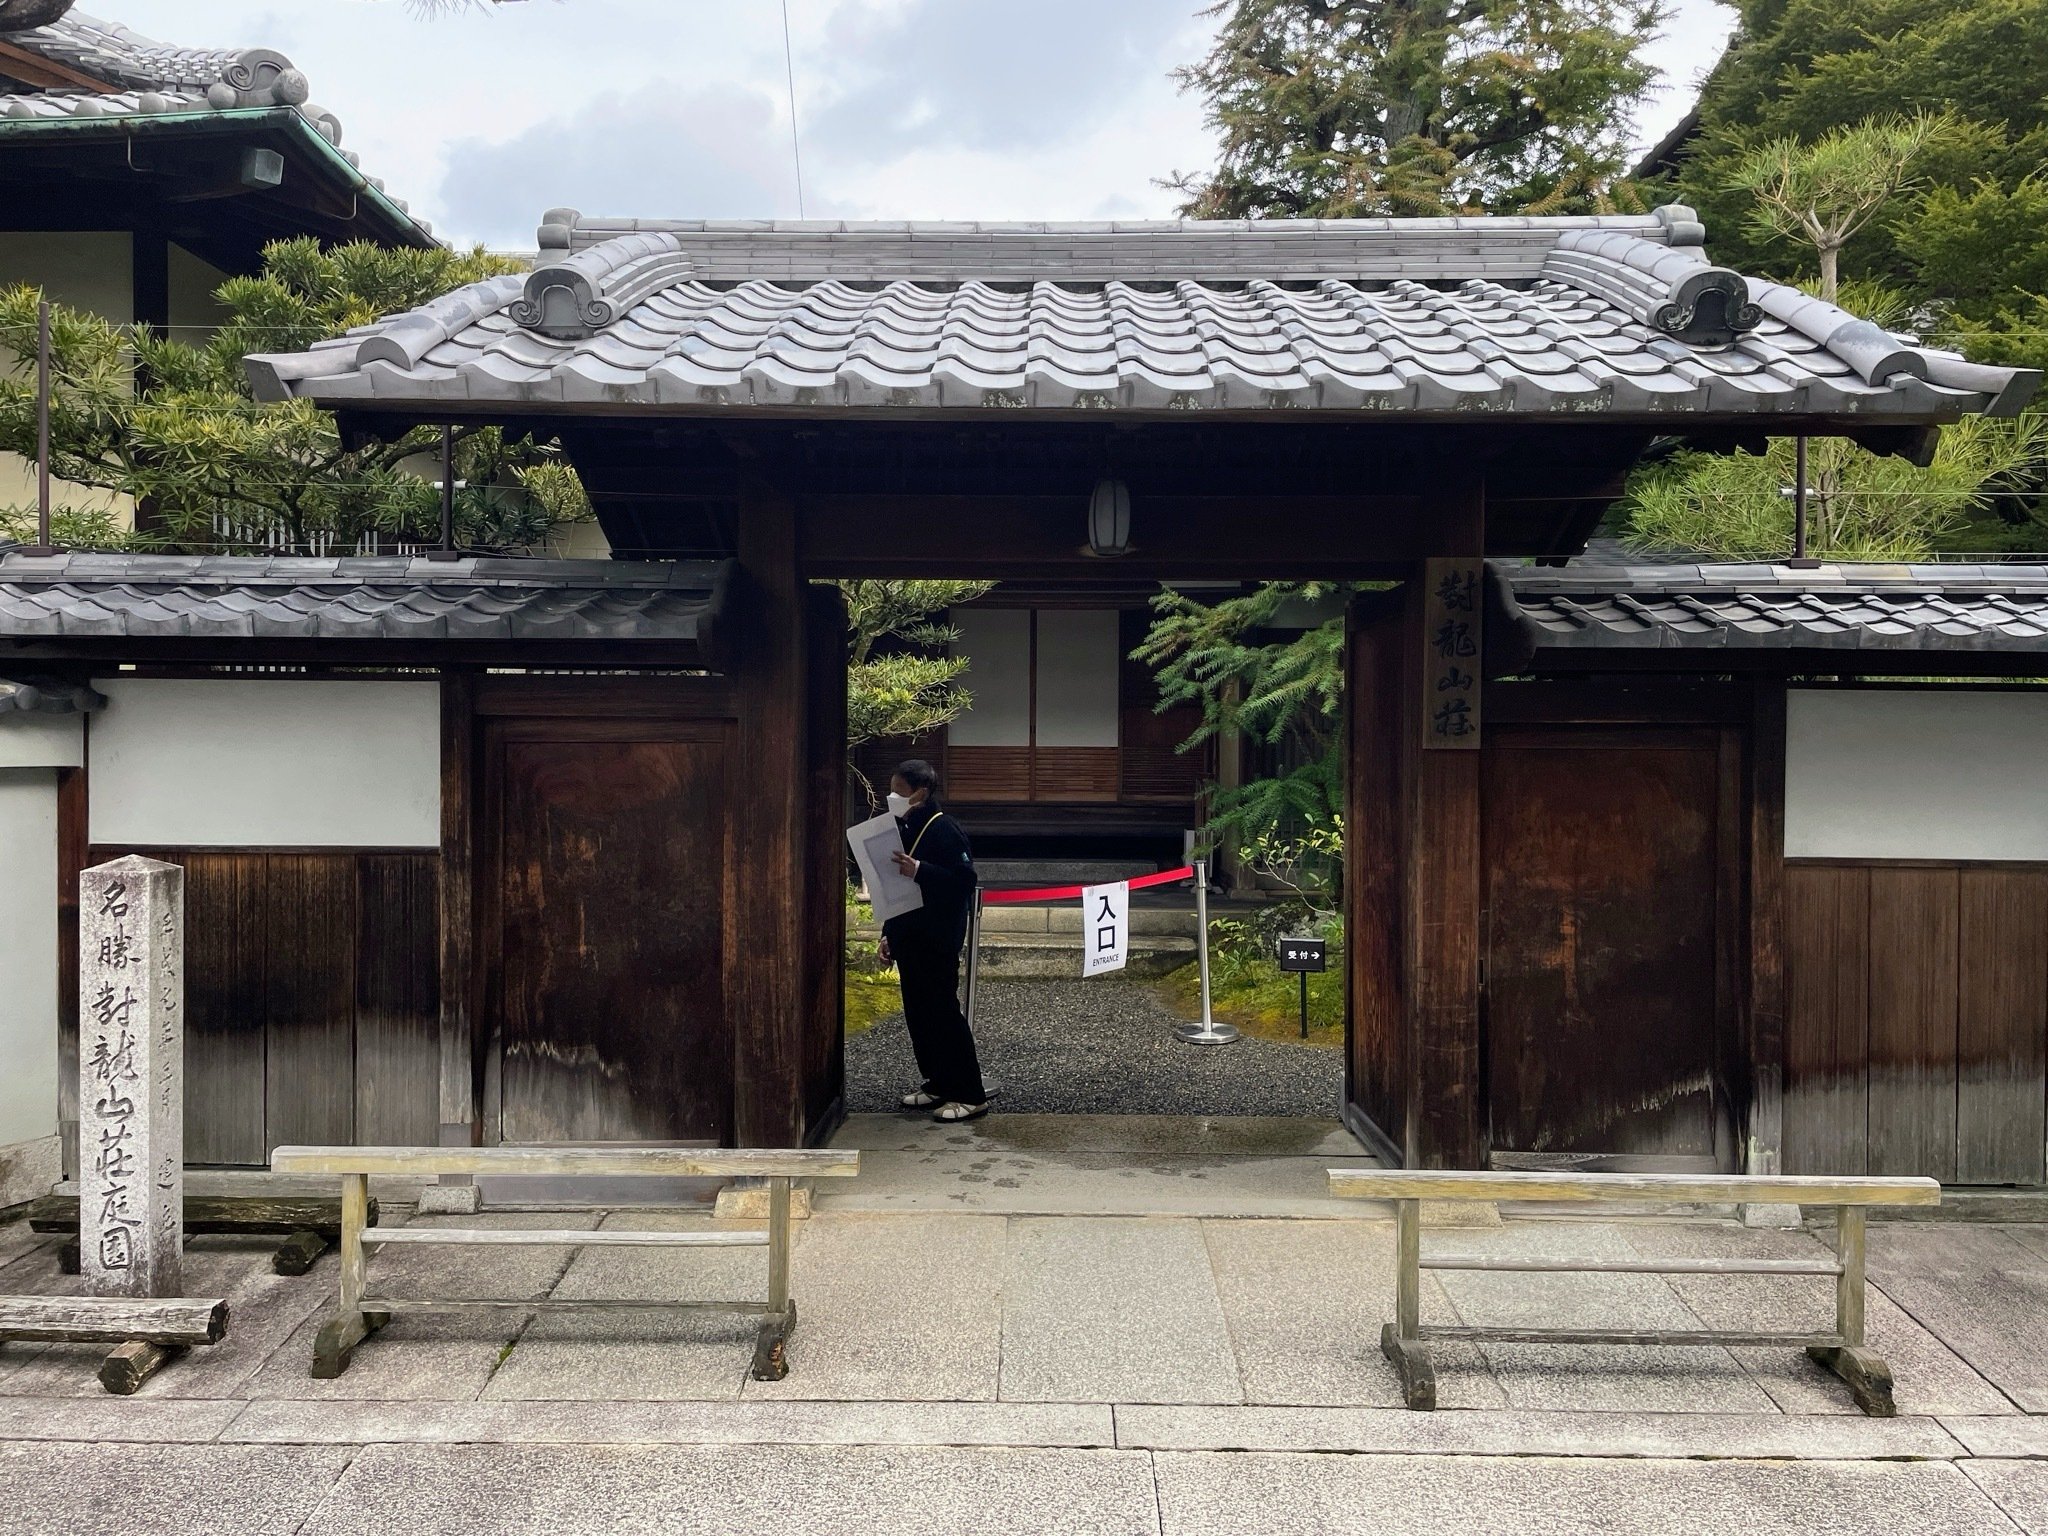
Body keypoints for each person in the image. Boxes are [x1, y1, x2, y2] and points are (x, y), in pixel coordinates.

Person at [877, 759, 989, 1122]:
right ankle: (938, 1082)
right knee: (918, 1016)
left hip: (937, 938)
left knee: (942, 1015)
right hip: (909, 936)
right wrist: (888, 935)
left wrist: (921, 870)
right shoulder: (904, 826)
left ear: (920, 793)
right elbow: (895, 888)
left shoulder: (945, 830)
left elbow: (963, 880)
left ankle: (970, 1093)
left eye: (899, 790)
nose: (892, 796)